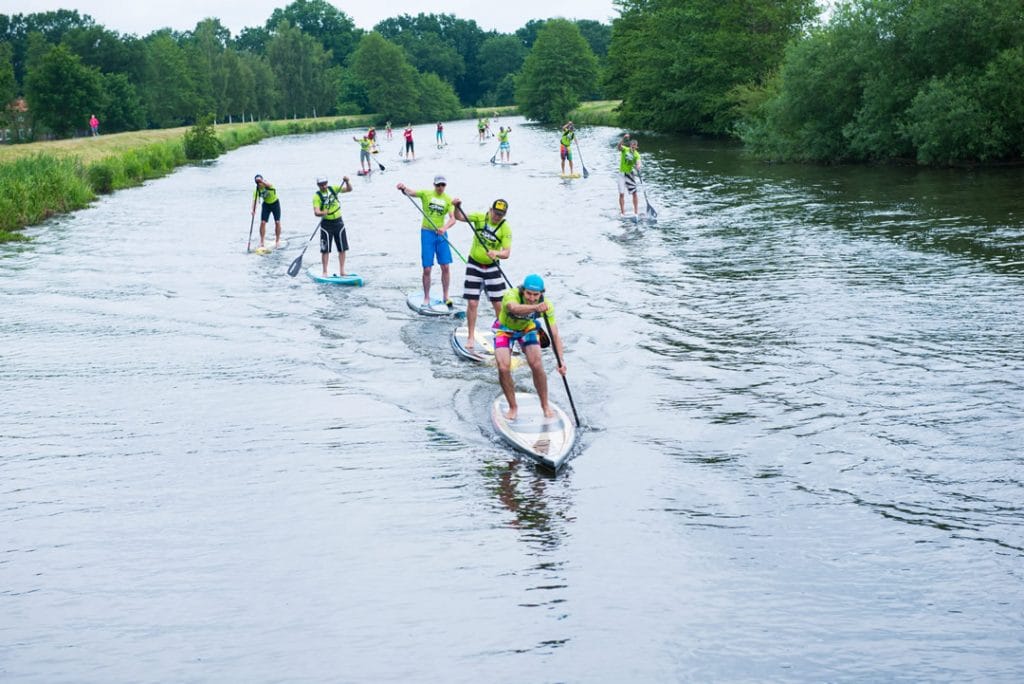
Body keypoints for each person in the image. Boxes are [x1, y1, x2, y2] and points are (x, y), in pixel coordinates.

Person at [494, 274, 567, 420]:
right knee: (503, 367)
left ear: (541, 293)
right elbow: (513, 308)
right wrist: (536, 308)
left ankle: (545, 405)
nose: (532, 297)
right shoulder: (511, 295)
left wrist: (561, 360)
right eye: (528, 293)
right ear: (522, 291)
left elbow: (555, 334)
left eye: (536, 295)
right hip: (504, 328)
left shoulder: (547, 305)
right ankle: (513, 407)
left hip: (527, 329)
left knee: (537, 364)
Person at [451, 197, 511, 350]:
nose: (497, 217)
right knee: (472, 303)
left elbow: (506, 253)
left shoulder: (505, 228)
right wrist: (458, 206)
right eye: (496, 213)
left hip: (492, 268)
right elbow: (458, 217)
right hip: (474, 265)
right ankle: (470, 337)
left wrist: (496, 253)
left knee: (498, 304)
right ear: (490, 210)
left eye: (501, 215)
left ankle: (502, 336)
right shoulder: (479, 218)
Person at [397, 175, 456, 306]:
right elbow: (410, 192)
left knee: (445, 266)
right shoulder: (426, 194)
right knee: (427, 269)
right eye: (438, 185)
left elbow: (453, 219)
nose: (440, 187)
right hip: (427, 233)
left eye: (443, 185)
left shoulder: (448, 200)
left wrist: (444, 228)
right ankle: (426, 297)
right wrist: (403, 187)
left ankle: (446, 296)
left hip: (441, 234)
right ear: (434, 185)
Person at [312, 175, 353, 276]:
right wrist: (322, 213)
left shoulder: (333, 189)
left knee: (342, 248)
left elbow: (349, 189)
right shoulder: (316, 196)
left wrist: (347, 181)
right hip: (326, 225)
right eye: (321, 185)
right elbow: (316, 212)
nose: (324, 186)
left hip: (338, 222)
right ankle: (325, 271)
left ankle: (342, 271)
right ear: (318, 185)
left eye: (325, 184)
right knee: (325, 249)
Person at [252, 174, 282, 248]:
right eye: (257, 183)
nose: (259, 184)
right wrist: (253, 210)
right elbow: (255, 201)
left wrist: (261, 180)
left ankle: (277, 241)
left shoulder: (268, 185)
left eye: (260, 182)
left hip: (275, 204)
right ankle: (262, 241)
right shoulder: (257, 190)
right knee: (263, 222)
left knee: (277, 222)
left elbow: (269, 184)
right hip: (266, 205)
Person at [617, 133, 642, 216]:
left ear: (636, 147)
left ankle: (636, 212)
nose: (633, 147)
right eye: (632, 146)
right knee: (621, 193)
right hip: (621, 174)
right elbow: (619, 146)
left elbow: (638, 162)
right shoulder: (625, 149)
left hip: (630, 174)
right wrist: (623, 139)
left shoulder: (637, 155)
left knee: (634, 193)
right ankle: (622, 212)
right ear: (630, 145)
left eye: (634, 146)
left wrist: (638, 166)